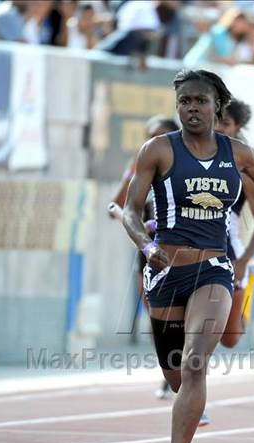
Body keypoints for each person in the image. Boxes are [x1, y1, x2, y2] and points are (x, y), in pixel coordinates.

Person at [122, 69, 254, 443]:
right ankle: (183, 404)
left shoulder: (238, 153)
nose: (191, 108)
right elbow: (130, 209)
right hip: (164, 269)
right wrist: (145, 243)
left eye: (199, 100)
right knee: (176, 372)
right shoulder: (158, 150)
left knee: (196, 363)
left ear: (217, 106)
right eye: (184, 101)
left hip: (215, 267)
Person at [110, 115, 179, 400]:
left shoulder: (182, 164)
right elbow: (117, 203)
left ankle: (184, 367)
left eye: (161, 136)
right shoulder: (139, 164)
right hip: (149, 249)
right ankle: (168, 371)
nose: (154, 142)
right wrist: (130, 218)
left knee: (184, 314)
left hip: (181, 246)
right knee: (155, 315)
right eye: (150, 136)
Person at [216, 98, 254, 348]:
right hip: (190, 251)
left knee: (230, 339)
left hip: (228, 252)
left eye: (224, 123)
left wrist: (244, 260)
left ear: (237, 127)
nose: (217, 127)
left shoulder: (244, 169)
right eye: (214, 120)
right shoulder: (187, 156)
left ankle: (242, 303)